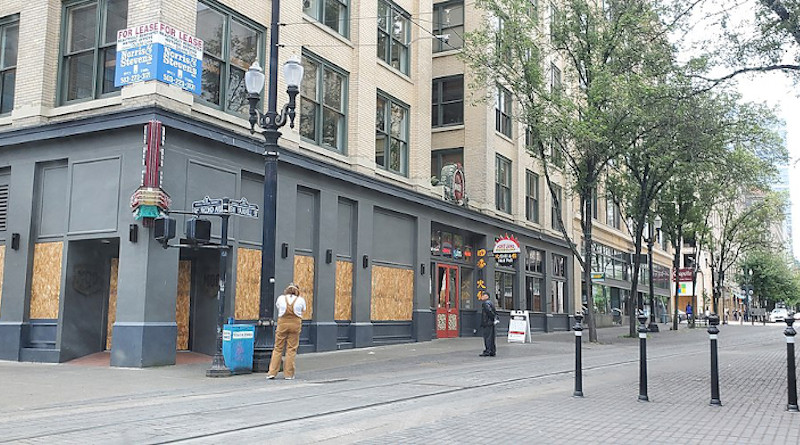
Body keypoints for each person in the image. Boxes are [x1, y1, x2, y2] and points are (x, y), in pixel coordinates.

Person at [267, 283, 307, 380]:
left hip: (282, 324)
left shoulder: (281, 298)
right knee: (291, 349)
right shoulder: (300, 300)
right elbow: (304, 309)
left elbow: (278, 307)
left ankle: (272, 372)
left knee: (278, 348)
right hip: (295, 324)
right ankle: (288, 374)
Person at [479, 292, 497, 357]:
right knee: (491, 337)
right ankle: (492, 351)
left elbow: (489, 312)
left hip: (487, 323)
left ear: (486, 296)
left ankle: (488, 351)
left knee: (487, 337)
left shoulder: (485, 303)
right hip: (491, 323)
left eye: (483, 296)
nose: (482, 297)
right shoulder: (491, 303)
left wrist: (491, 318)